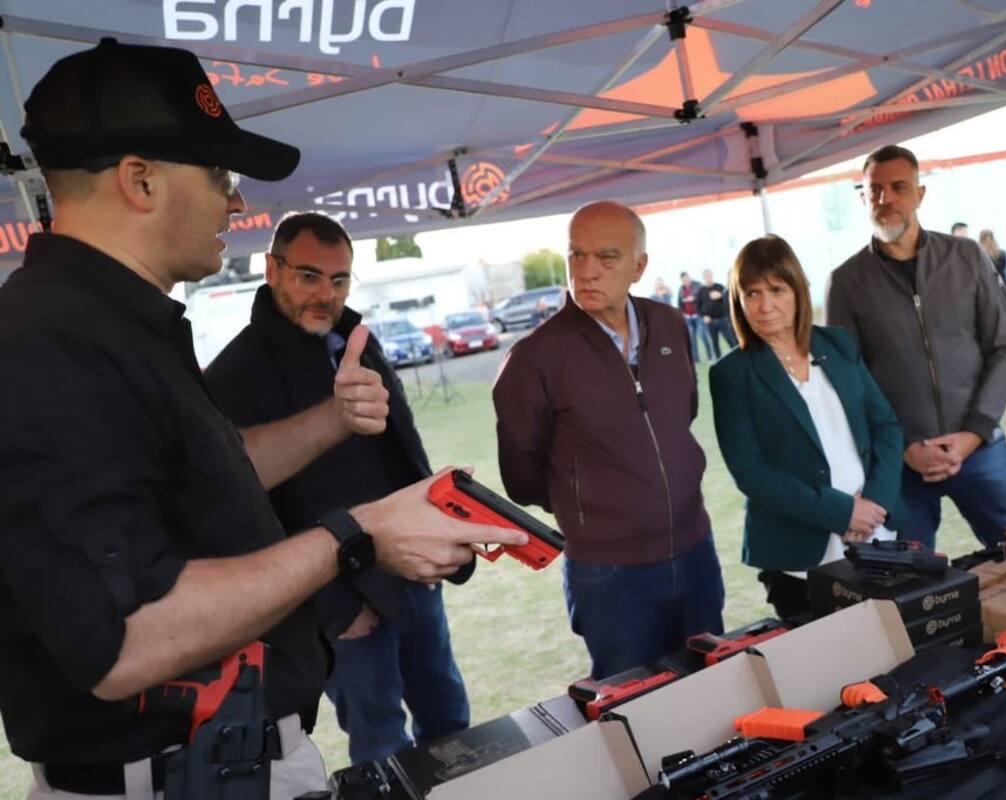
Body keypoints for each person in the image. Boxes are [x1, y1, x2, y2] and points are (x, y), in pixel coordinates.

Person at [0, 40, 522, 800]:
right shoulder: (47, 345)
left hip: (229, 762)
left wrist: (335, 423)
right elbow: (124, 640)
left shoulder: (118, 324)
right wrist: (358, 535)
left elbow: (209, 473)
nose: (236, 202)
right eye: (220, 174)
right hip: (181, 779)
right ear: (140, 181)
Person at [205, 212, 470, 765]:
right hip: (345, 601)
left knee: (452, 727)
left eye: (339, 279)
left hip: (415, 580)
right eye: (308, 276)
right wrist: (333, 608)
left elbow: (401, 450)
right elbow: (244, 517)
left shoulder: (355, 339)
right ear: (271, 270)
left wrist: (443, 523)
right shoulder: (234, 375)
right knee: (380, 748)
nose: (325, 294)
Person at [493, 201, 725, 679]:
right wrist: (589, 504)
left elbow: (682, 414)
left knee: (715, 686)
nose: (587, 271)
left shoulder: (670, 324)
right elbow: (522, 476)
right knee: (632, 707)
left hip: (694, 550)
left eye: (606, 257)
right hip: (609, 573)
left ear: (639, 266)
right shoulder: (533, 358)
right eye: (577, 256)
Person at [825, 145, 1006, 550]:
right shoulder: (847, 281)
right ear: (862, 196)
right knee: (910, 583)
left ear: (920, 194)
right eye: (874, 189)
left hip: (980, 449)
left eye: (898, 187)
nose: (886, 198)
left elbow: (1003, 347)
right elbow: (849, 381)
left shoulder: (966, 257)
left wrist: (974, 432)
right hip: (900, 463)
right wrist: (906, 445)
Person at [710, 236, 903, 620]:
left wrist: (875, 505)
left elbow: (887, 426)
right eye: (752, 293)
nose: (765, 306)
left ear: (797, 290)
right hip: (796, 557)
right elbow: (752, 474)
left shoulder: (839, 344)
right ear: (738, 300)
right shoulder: (732, 374)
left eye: (777, 290)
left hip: (874, 536)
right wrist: (841, 512)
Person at [677, 271, 715, 362]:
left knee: (703, 336)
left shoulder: (698, 285)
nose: (686, 281)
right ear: (682, 280)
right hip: (688, 317)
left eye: (687, 278)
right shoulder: (681, 289)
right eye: (683, 280)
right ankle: (696, 359)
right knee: (691, 339)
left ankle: (711, 355)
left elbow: (704, 298)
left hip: (698, 316)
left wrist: (694, 298)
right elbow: (679, 302)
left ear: (689, 277)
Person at [700, 268, 736, 359]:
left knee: (730, 340)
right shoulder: (701, 291)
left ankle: (736, 356)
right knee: (714, 342)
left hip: (722, 319)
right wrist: (704, 316)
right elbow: (698, 306)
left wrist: (720, 295)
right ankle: (718, 360)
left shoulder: (720, 287)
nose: (708, 278)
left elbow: (728, 298)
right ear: (704, 278)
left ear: (712, 276)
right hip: (710, 321)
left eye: (709, 276)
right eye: (706, 277)